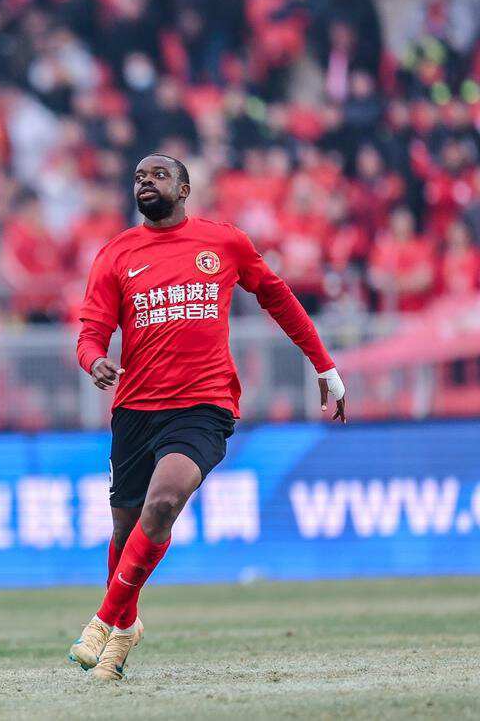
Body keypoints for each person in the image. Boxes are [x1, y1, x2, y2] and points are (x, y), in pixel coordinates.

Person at [68, 154, 348, 680]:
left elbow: (278, 297)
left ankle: (103, 621)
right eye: (138, 176)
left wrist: (324, 363)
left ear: (184, 189)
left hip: (204, 403)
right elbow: (90, 333)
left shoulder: (223, 242)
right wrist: (94, 360)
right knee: (126, 528)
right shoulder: (116, 254)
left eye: (158, 175)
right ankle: (126, 627)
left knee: (164, 500)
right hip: (135, 409)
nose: (145, 182)